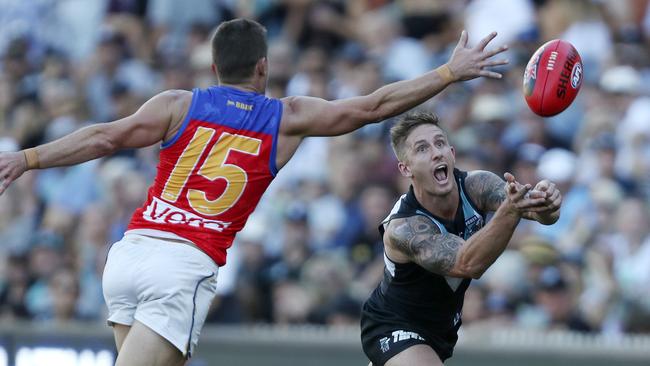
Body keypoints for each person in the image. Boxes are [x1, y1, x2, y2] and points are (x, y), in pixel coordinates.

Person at [0, 18, 508, 366]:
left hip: (128, 257)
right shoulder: (284, 119)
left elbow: (104, 136)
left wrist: (28, 157)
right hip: (183, 266)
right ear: (262, 67)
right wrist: (447, 72)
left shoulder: (177, 103)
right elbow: (374, 106)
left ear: (215, 68)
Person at [360, 112, 563, 366]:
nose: (436, 153)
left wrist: (547, 202)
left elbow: (534, 210)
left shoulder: (477, 185)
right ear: (405, 168)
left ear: (452, 152)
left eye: (440, 143)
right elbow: (467, 264)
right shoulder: (404, 227)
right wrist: (511, 210)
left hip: (440, 330)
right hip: (395, 325)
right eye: (422, 149)